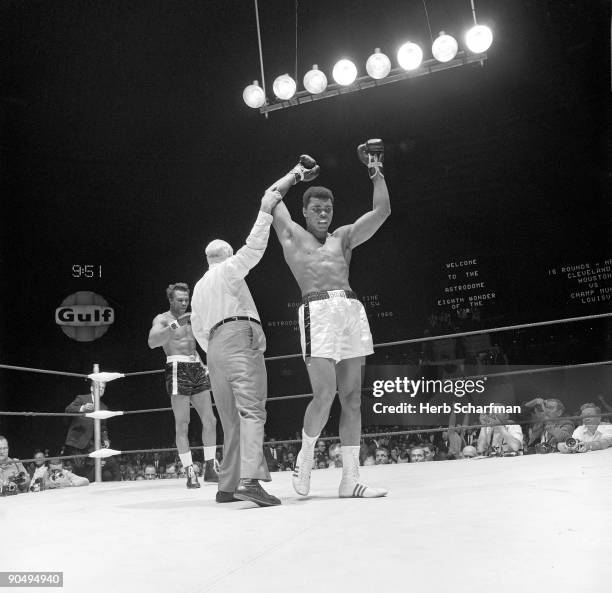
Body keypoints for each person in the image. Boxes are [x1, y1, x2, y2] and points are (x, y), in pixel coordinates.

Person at [269, 140, 390, 498]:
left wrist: (375, 170)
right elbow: (270, 197)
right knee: (323, 394)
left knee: (352, 398)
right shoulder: (292, 236)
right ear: (305, 211)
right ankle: (304, 459)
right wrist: (296, 174)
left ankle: (350, 479)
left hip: (350, 309)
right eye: (317, 208)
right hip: (316, 311)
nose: (324, 213)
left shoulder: (344, 237)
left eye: (328, 208)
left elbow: (382, 211)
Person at [190, 187, 285, 507]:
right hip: (236, 338)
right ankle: (250, 480)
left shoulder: (199, 288)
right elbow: (255, 247)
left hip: (213, 350)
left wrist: (216, 349)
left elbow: (198, 332)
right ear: (227, 256)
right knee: (252, 410)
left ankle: (227, 485)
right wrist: (266, 209)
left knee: (230, 419)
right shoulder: (230, 270)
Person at [148, 282, 219, 488]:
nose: (183, 303)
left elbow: (194, 344)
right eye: (179, 300)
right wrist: (176, 324)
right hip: (177, 367)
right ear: (170, 300)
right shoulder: (162, 319)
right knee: (182, 424)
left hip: (196, 366)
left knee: (210, 420)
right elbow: (152, 342)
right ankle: (189, 472)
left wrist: (203, 363)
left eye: (186, 300)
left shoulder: (192, 317)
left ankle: (210, 469)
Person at [63, 381, 112, 481]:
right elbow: (68, 409)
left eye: (103, 388)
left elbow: (103, 427)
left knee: (96, 464)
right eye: (99, 387)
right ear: (92, 388)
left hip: (91, 443)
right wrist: (82, 408)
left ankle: (88, 487)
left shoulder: (104, 407)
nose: (101, 390)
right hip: (77, 441)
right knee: (79, 468)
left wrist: (105, 439)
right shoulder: (82, 398)